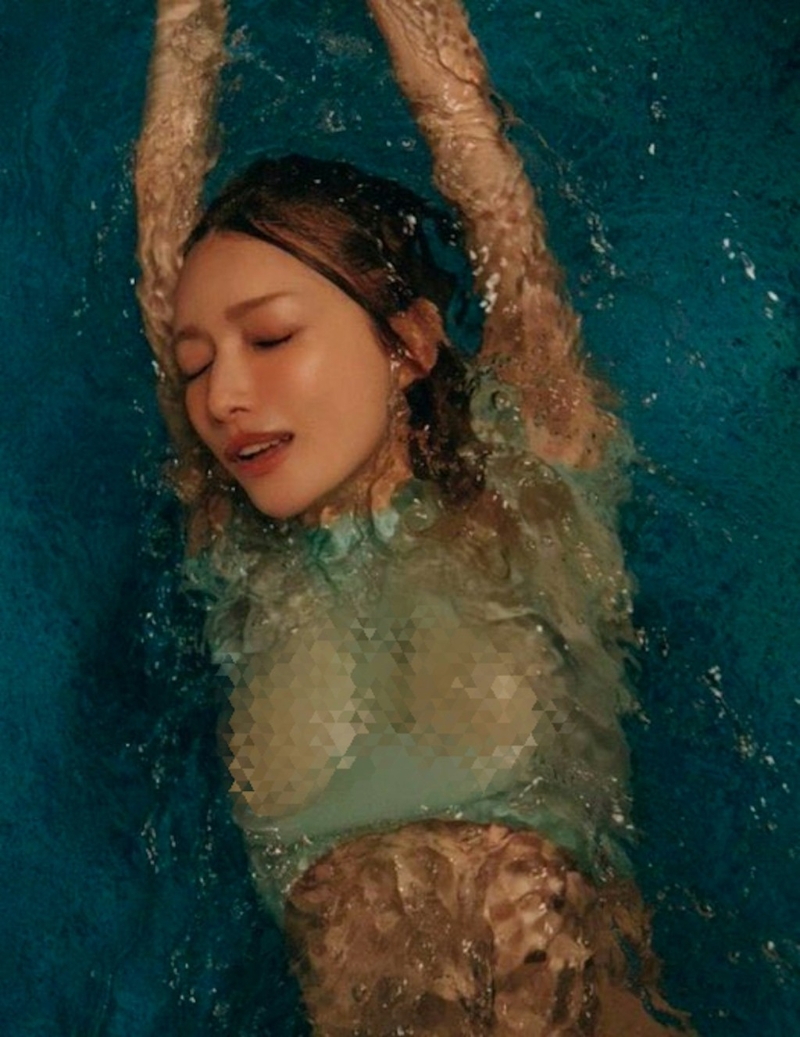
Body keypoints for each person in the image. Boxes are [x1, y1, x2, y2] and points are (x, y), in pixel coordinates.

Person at [135, 2, 693, 1034]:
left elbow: (493, 199)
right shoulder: (237, 544)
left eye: (270, 338)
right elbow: (161, 259)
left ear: (408, 343)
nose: (221, 397)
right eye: (197, 365)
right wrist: (184, 28)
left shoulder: (527, 481)